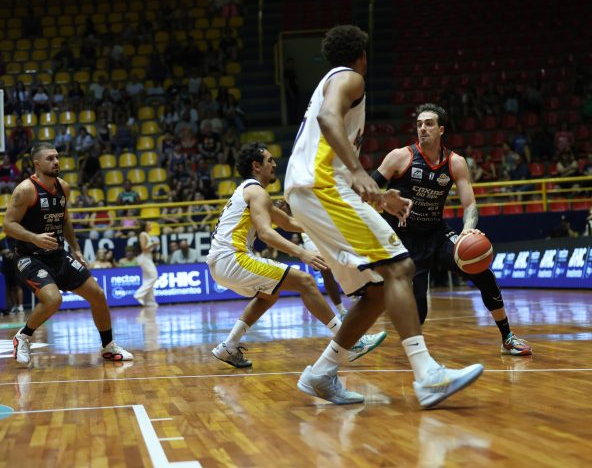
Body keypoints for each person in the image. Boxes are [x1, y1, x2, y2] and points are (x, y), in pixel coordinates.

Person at [284, 25, 483, 407]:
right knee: (400, 269)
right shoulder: (350, 78)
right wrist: (358, 171)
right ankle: (427, 376)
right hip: (321, 188)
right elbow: (328, 119)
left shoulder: (329, 81)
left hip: (314, 191)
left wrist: (378, 198)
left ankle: (322, 373)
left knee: (377, 290)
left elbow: (327, 145)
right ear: (362, 55)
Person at [207, 143, 386, 369]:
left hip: (220, 263)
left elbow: (289, 223)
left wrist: (330, 225)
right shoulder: (256, 192)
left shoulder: (249, 192)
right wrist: (302, 252)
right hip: (233, 258)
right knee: (306, 281)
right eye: (269, 160)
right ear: (256, 166)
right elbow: (265, 233)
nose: (274, 164)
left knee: (269, 295)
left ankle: (229, 346)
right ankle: (351, 342)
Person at [374, 103, 532, 356]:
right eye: (419, 124)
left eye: (429, 124)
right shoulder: (400, 157)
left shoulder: (455, 162)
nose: (422, 128)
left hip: (437, 233)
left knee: (483, 273)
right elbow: (366, 191)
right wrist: (384, 199)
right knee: (418, 305)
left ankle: (507, 338)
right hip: (405, 238)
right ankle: (416, 353)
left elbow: (470, 205)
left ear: (441, 129)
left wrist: (468, 230)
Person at [3, 143, 133, 366]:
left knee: (98, 295)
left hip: (57, 254)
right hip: (30, 256)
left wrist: (76, 249)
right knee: (54, 300)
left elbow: (65, 220)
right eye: (50, 158)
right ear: (37, 164)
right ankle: (22, 337)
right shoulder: (25, 190)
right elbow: (8, 225)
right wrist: (34, 237)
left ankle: (108, 346)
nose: (56, 161)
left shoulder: (64, 187)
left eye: (57, 157)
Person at [134, 220, 159, 307]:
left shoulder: (147, 234)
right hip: (144, 257)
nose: (151, 226)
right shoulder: (143, 234)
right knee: (154, 275)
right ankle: (139, 294)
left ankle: (149, 301)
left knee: (147, 279)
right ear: (145, 227)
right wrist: (153, 244)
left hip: (148, 257)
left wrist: (153, 246)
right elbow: (143, 248)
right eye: (149, 225)